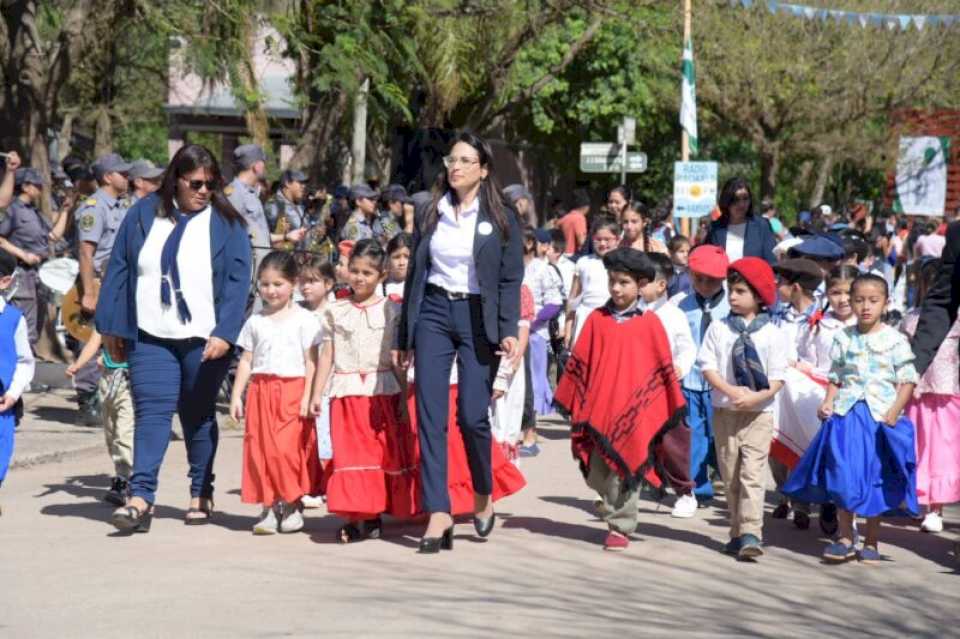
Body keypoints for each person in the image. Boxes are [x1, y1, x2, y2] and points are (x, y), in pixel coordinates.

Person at [96, 144, 252, 533]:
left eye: (211, 184)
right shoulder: (143, 214)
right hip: (150, 333)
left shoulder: (227, 224)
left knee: (197, 416)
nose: (204, 191)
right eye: (196, 183)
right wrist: (111, 326)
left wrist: (226, 334)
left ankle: (201, 489)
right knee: (152, 413)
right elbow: (120, 268)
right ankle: (141, 497)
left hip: (204, 338)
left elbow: (237, 284)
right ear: (176, 180)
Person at [393, 131, 523, 553]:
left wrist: (508, 328)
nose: (456, 167)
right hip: (432, 311)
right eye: (452, 160)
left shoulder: (500, 216)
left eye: (466, 161)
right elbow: (415, 273)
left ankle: (483, 492)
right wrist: (404, 334)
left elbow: (508, 278)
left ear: (483, 170)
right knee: (429, 415)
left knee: (471, 416)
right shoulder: (431, 211)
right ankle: (439, 512)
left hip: (476, 317)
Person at [554, 248, 688, 551]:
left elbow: (659, 372)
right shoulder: (596, 320)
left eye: (624, 282)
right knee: (596, 472)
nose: (616, 288)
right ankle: (613, 502)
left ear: (640, 285)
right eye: (612, 281)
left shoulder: (650, 324)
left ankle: (621, 525)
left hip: (634, 413)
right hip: (597, 407)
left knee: (626, 465)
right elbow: (581, 363)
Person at [784, 274, 919, 564]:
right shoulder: (844, 337)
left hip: (879, 419)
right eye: (859, 300)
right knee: (843, 476)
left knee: (874, 478)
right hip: (846, 417)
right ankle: (845, 537)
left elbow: (908, 379)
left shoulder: (895, 339)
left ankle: (871, 541)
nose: (865, 307)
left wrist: (894, 411)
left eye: (873, 300)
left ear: (886, 303)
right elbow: (837, 375)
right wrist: (829, 401)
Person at [310, 239, 411, 542]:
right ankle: (357, 516)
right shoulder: (335, 311)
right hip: (346, 393)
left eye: (367, 272)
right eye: (354, 270)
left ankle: (374, 513)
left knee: (381, 455)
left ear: (382, 274)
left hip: (383, 391)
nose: (359, 278)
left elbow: (399, 360)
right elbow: (326, 354)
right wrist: (317, 393)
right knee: (351, 457)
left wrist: (405, 397)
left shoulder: (392, 310)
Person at [698, 257, 786, 560]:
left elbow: (778, 376)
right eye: (731, 290)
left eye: (740, 291)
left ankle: (752, 532)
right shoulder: (719, 329)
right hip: (725, 410)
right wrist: (730, 391)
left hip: (759, 413)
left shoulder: (772, 333)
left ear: (759, 296)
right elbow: (707, 366)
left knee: (752, 472)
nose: (732, 297)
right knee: (731, 472)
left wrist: (757, 397)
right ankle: (736, 531)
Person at [231, 252, 322, 535]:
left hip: (293, 389)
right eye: (265, 284)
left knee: (287, 450)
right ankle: (269, 507)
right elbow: (246, 359)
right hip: (261, 390)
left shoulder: (305, 320)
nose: (271, 290)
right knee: (261, 449)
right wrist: (237, 395)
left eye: (278, 284)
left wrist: (308, 395)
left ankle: (292, 503)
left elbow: (312, 361)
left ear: (293, 283)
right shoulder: (256, 321)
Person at [902, 258, 960, 533]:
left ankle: (935, 507)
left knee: (942, 451)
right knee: (916, 448)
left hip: (947, 395)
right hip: (915, 393)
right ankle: (916, 498)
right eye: (929, 283)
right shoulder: (911, 318)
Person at [74, 153, 132, 424]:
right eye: (123, 173)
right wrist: (88, 291)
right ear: (108, 176)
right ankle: (87, 401)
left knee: (109, 336)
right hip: (97, 281)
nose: (127, 177)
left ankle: (105, 397)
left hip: (115, 280)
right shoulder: (95, 207)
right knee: (91, 339)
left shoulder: (119, 205)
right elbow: (86, 253)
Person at [768, 258, 823, 530]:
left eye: (782, 283)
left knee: (805, 443)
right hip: (778, 389)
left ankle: (803, 502)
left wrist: (801, 367)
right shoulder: (777, 315)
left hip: (807, 393)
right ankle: (785, 493)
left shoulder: (821, 319)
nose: (777, 287)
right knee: (775, 446)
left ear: (797, 287)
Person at [642, 252, 698, 517]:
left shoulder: (674, 315)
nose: (637, 287)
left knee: (672, 441)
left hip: (666, 388)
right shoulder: (631, 313)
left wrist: (681, 367)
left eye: (642, 281)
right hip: (636, 386)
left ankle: (685, 492)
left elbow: (687, 348)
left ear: (661, 285)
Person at [676, 245, 730, 509]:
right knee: (693, 436)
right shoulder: (681, 306)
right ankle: (698, 488)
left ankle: (727, 480)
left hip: (722, 383)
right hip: (690, 382)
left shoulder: (733, 306)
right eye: (699, 278)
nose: (705, 284)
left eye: (713, 279)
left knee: (720, 437)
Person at [66, 326, 133, 506]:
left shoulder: (136, 312)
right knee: (111, 435)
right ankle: (123, 474)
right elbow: (93, 343)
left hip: (129, 379)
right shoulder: (106, 316)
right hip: (107, 380)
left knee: (124, 433)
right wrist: (77, 365)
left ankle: (124, 479)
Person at [225, 145, 304, 279]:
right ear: (256, 166)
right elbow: (232, 237)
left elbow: (259, 236)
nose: (265, 167)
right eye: (263, 163)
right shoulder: (234, 194)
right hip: (246, 272)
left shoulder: (251, 193)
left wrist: (286, 236)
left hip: (260, 269)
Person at [297, 257, 336, 509]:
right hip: (301, 381)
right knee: (306, 437)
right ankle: (308, 483)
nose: (306, 287)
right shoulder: (296, 312)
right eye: (302, 281)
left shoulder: (333, 312)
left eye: (312, 281)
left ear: (329, 283)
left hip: (329, 384)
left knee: (326, 436)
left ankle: (328, 484)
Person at [0, 249, 36, 517]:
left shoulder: (13, 319)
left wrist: (13, 394)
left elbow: (25, 361)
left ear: (5, 281)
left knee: (1, 453)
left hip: (2, 403)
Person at [0, 168, 51, 346]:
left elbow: (52, 236)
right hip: (20, 272)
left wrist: (67, 209)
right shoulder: (12, 210)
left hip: (37, 274)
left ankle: (25, 364)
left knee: (34, 324)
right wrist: (23, 254)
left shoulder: (35, 212)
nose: (40, 188)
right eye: (36, 184)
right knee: (22, 325)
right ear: (26, 186)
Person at [564, 216, 619, 348]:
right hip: (585, 317)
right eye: (598, 239)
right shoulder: (584, 262)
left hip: (612, 317)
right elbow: (573, 298)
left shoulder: (621, 263)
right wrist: (567, 328)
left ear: (617, 240)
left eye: (607, 239)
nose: (602, 244)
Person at [704, 177, 777, 265]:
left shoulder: (762, 226)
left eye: (745, 198)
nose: (741, 204)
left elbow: (772, 263)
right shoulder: (716, 228)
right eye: (736, 199)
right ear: (726, 201)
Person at [264, 169, 308, 240]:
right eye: (300, 182)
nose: (304, 186)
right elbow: (264, 237)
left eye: (304, 183)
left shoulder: (299, 205)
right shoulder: (274, 206)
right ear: (287, 183)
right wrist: (285, 237)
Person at [557, 189, 590, 256]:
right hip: (573, 256)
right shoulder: (579, 218)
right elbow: (581, 241)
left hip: (562, 254)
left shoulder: (564, 218)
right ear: (586, 207)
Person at [383, 232, 412, 299]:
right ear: (388, 259)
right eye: (396, 257)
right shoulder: (381, 286)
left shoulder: (417, 287)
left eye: (407, 257)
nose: (401, 263)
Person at [666, 235, 692, 299]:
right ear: (671, 253)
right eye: (681, 251)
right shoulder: (667, 272)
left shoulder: (692, 272)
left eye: (688, 251)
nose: (686, 255)